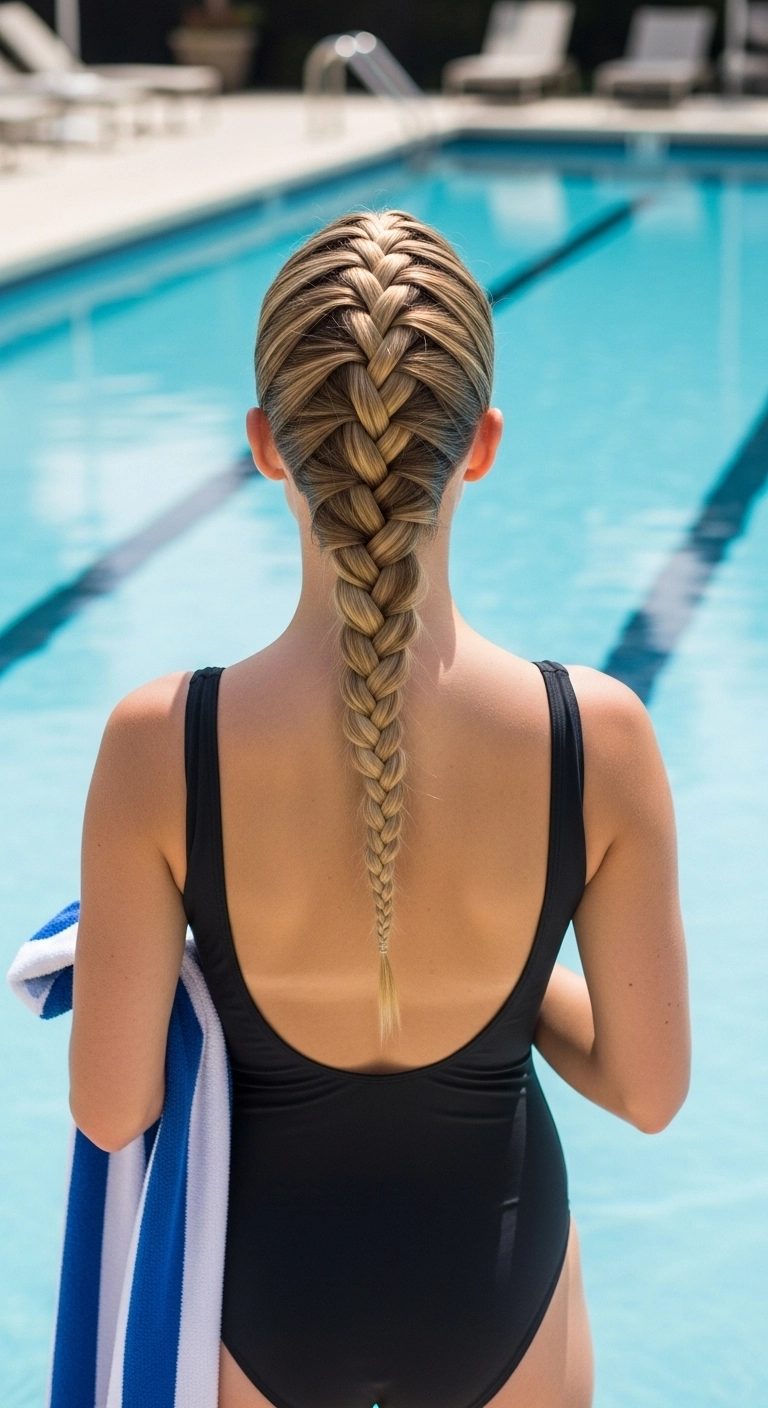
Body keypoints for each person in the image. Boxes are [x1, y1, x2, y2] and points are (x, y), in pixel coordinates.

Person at [69, 211, 691, 1408]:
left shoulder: (161, 746)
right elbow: (651, 1092)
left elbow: (113, 1108)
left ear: (263, 444)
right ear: (482, 446)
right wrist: (505, 977)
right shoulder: (595, 737)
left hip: (256, 1302)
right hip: (504, 1302)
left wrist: (193, 958)